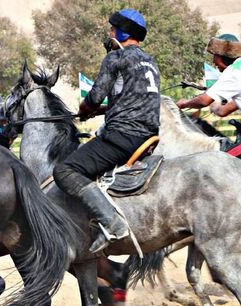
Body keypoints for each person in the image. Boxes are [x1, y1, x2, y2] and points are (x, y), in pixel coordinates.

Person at [52, 9, 160, 254]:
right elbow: (128, 102)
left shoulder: (116, 58)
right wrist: (99, 110)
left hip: (122, 136)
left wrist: (85, 108)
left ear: (122, 32)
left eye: (112, 29)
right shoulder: (150, 61)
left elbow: (94, 96)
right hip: (147, 137)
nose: (110, 33)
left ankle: (112, 223)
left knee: (66, 170)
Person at [175, 34, 241, 162]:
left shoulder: (234, 70)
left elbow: (204, 101)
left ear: (223, 56)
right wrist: (212, 94)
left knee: (222, 160)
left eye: (215, 56)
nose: (213, 62)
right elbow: (222, 111)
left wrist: (185, 103)